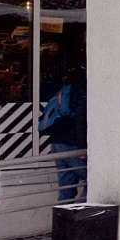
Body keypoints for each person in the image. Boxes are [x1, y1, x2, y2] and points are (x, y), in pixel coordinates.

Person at [40, 67, 87, 202]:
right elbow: (80, 121)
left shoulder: (63, 91)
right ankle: (82, 218)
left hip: (57, 142)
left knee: (66, 187)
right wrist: (82, 148)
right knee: (94, 181)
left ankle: (62, 219)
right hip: (72, 144)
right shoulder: (81, 93)